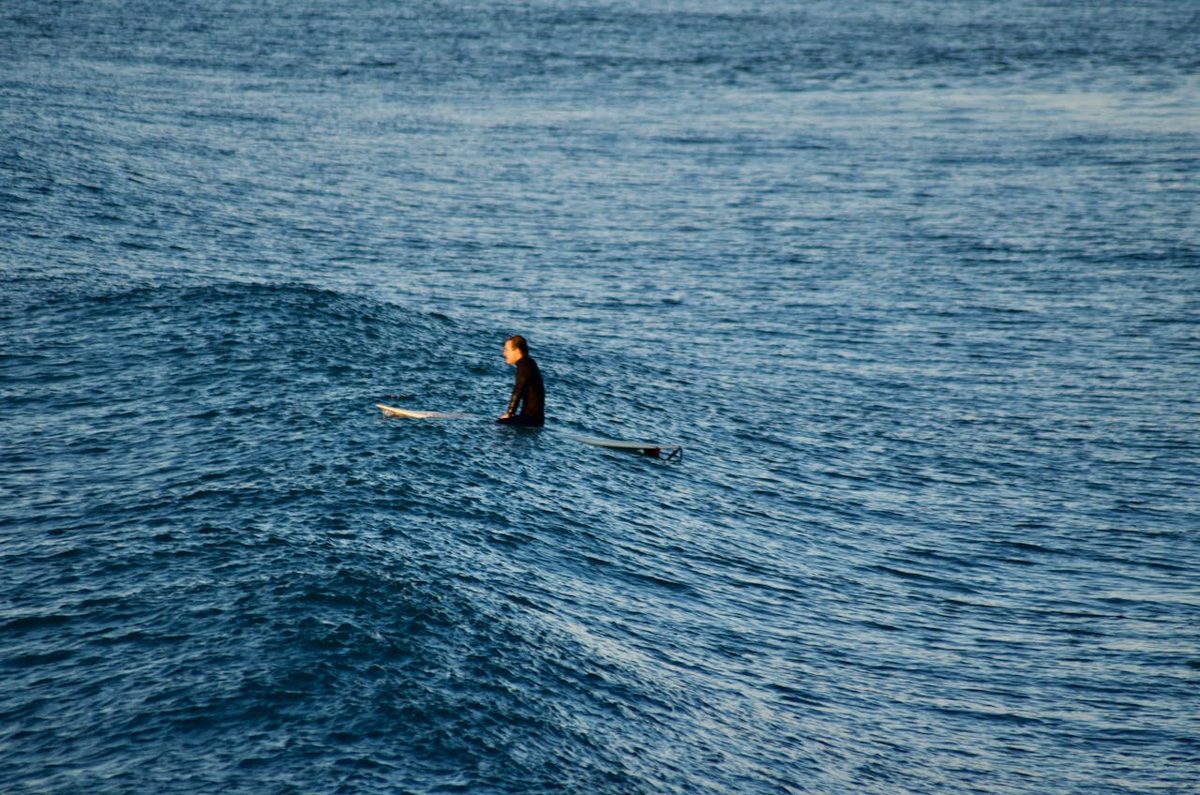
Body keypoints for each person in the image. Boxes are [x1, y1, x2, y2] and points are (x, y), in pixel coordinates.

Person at [497, 335, 544, 427]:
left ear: (517, 351)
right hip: (534, 419)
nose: (504, 353)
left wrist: (509, 413)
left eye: (506, 350)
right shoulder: (529, 363)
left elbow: (518, 389)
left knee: (498, 425)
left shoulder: (524, 365)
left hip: (530, 419)